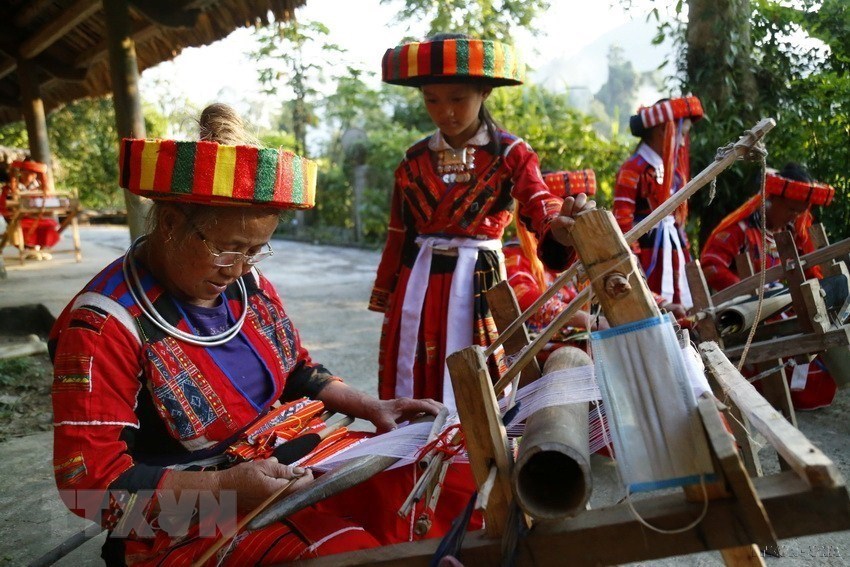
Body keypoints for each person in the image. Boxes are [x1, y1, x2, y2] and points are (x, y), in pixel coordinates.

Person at [49, 104, 453, 566]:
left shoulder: (247, 288)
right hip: (184, 520)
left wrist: (370, 406)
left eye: (256, 251)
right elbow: (90, 488)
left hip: (282, 465)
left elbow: (297, 370)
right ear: (171, 224)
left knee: (437, 480)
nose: (240, 268)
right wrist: (225, 489)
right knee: (346, 555)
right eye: (229, 250)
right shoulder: (104, 327)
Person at [369, 34, 594, 409]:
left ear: (484, 92)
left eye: (458, 98)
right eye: (432, 100)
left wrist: (556, 223)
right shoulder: (412, 160)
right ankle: (416, 450)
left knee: (481, 371)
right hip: (418, 284)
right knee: (414, 367)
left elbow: (538, 198)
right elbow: (400, 233)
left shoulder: (511, 153)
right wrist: (387, 292)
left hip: (479, 281)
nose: (445, 112)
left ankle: (475, 453)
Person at [700, 162, 838, 410]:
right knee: (784, 329)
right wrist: (751, 295)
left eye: (800, 212)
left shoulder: (791, 231)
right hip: (743, 314)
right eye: (791, 209)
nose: (796, 217)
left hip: (776, 305)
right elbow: (711, 266)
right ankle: (781, 392)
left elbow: (807, 269)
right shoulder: (741, 230)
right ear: (772, 200)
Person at [612, 96, 704, 309]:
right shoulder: (632, 170)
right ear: (662, 130)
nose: (682, 142)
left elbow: (677, 222)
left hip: (672, 249)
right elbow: (622, 223)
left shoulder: (672, 171)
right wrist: (632, 263)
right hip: (645, 256)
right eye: (681, 133)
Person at [1, 159, 61, 258]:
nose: (29, 175)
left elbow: (48, 203)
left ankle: (41, 249)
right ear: (21, 173)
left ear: (35, 174)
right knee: (25, 225)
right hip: (19, 217)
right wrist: (11, 214)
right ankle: (30, 249)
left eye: (32, 172)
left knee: (49, 224)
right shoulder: (10, 188)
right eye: (26, 172)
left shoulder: (41, 189)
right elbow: (4, 205)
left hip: (38, 216)